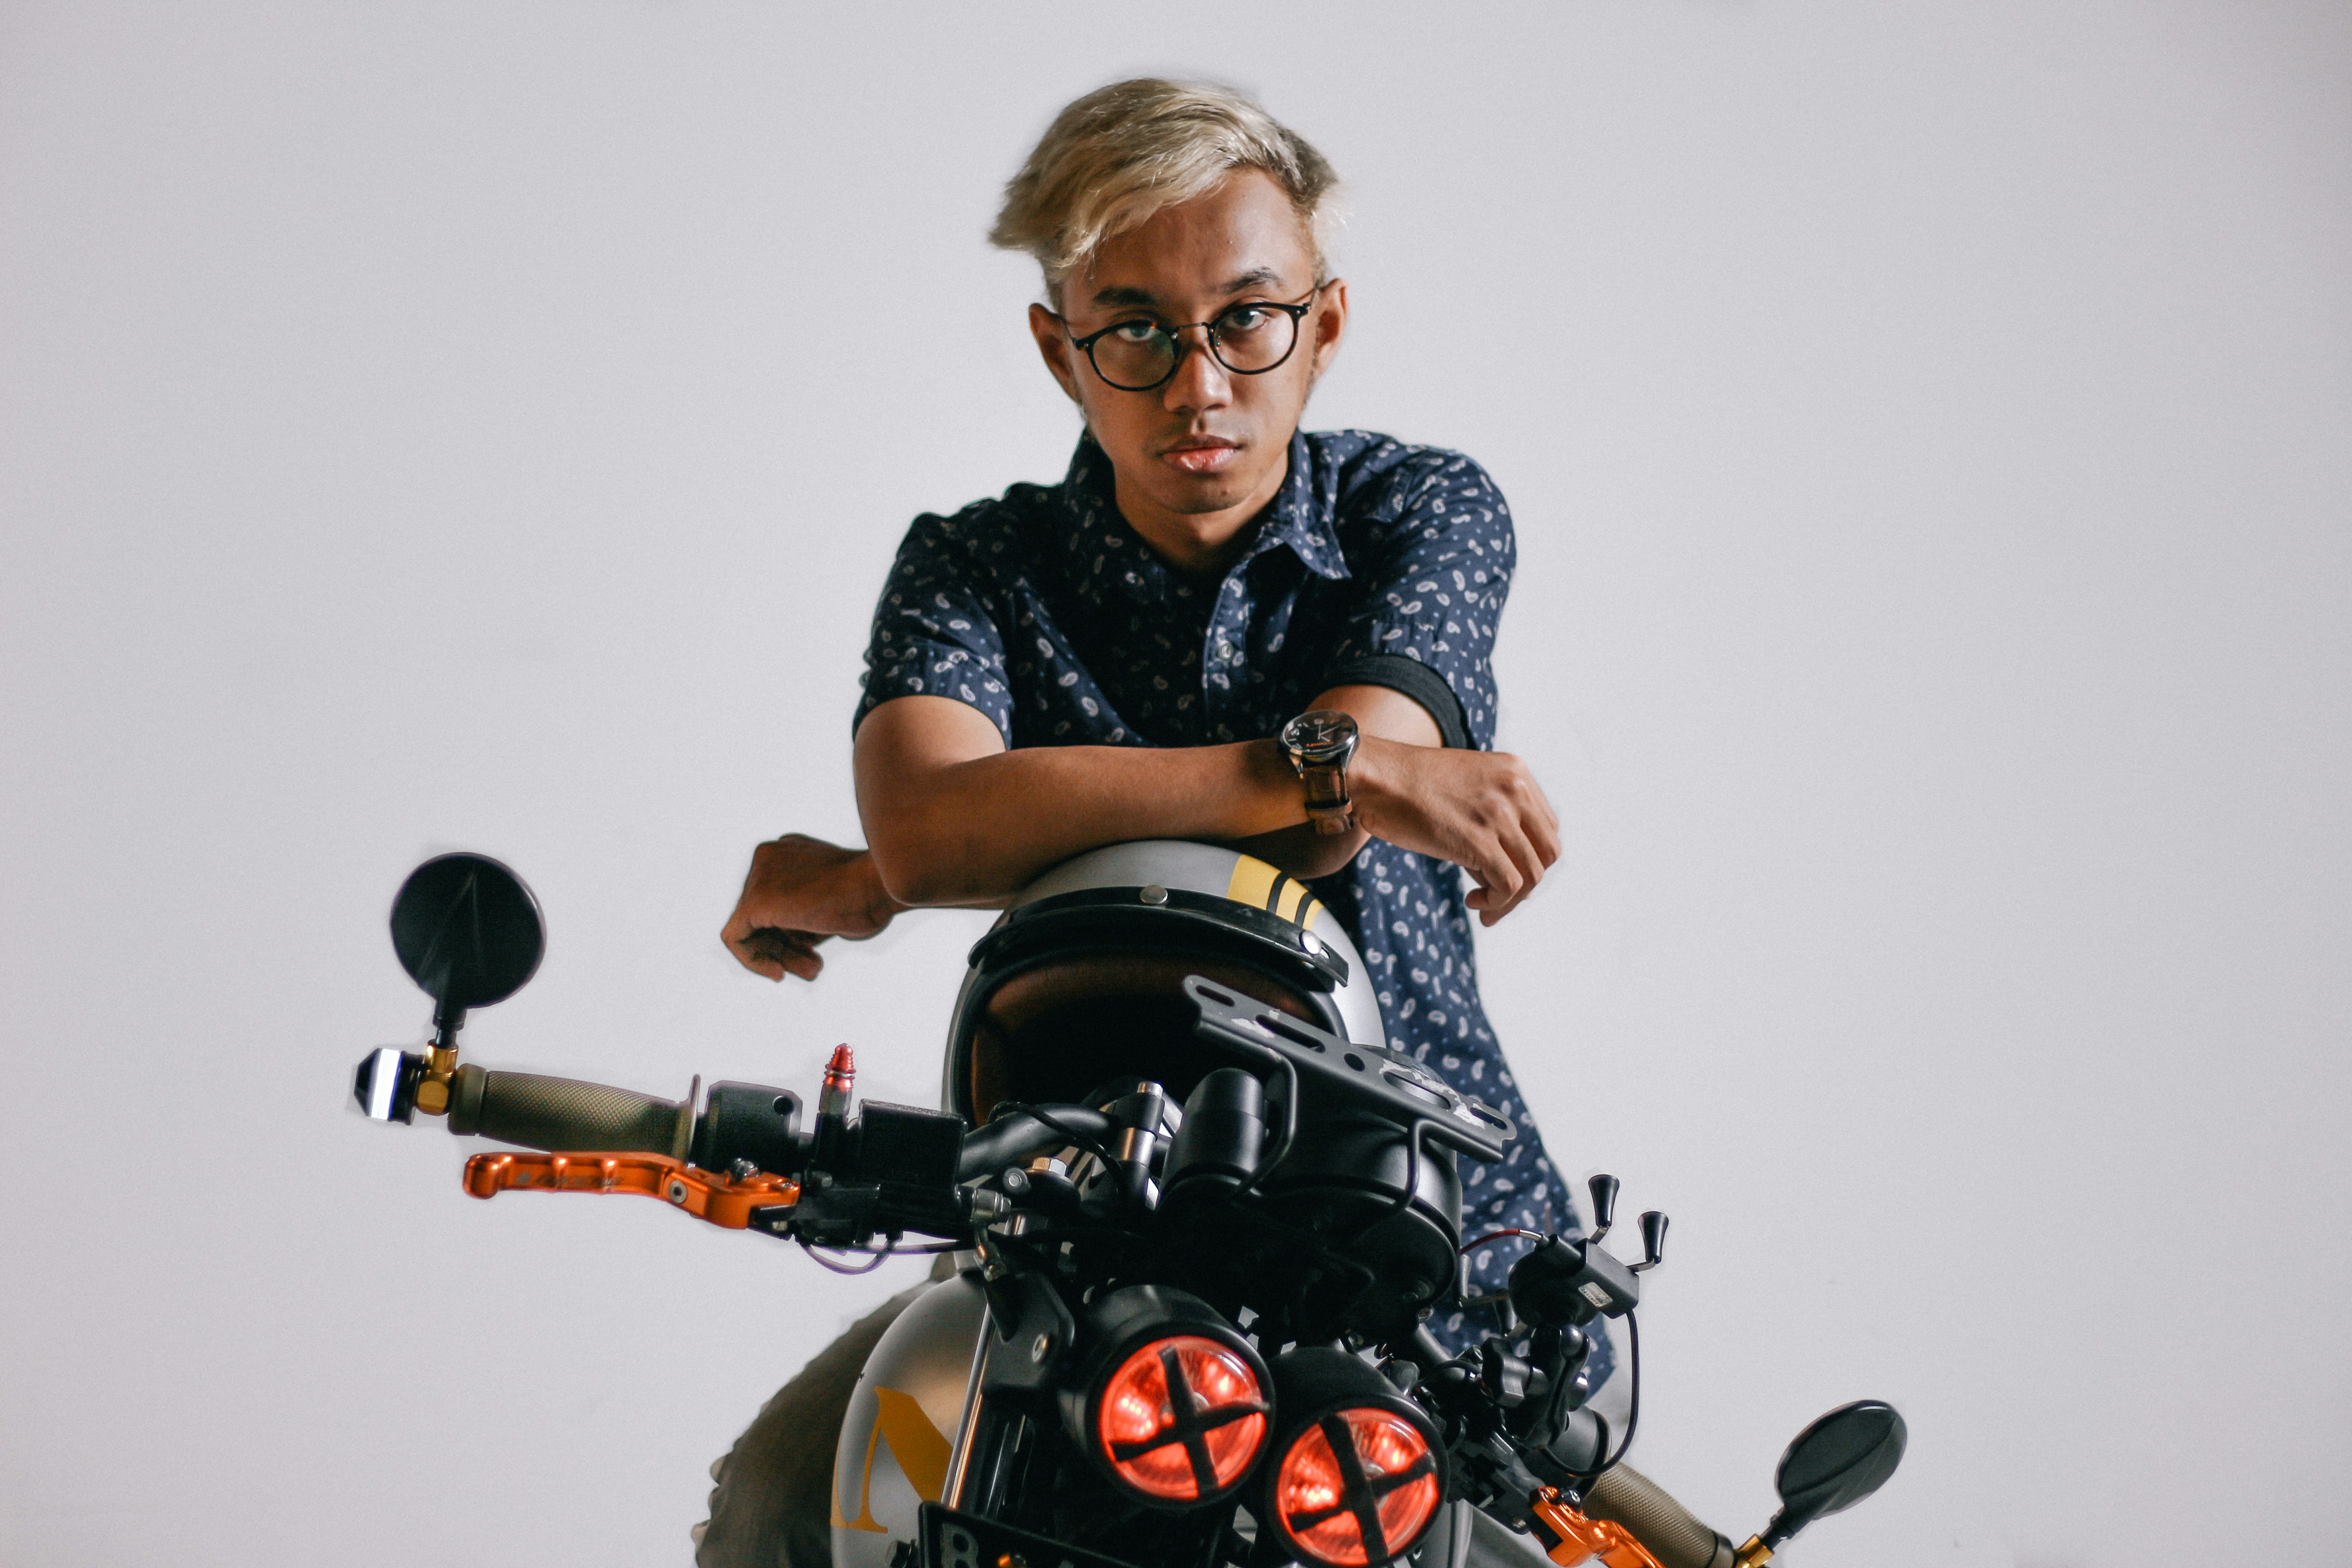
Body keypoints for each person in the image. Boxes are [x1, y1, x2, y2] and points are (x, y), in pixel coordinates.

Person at [696, 78, 1596, 1568]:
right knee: (780, 1509)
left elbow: (1326, 810)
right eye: (1135, 331)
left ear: (1326, 321)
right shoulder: (970, 566)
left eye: (1248, 319)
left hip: (1428, 1240)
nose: (1198, 386)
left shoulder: (1419, 512)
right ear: (1058, 347)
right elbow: (933, 824)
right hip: (1073, 1255)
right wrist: (1335, 772)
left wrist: (971, 835)